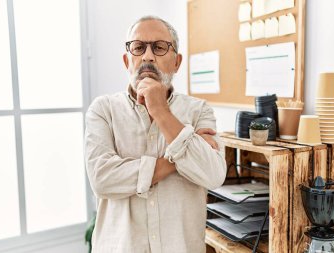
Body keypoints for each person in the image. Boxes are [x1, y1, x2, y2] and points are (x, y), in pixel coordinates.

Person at [84, 15, 227, 253]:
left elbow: (213, 174)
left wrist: (162, 111)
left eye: (159, 47)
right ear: (126, 60)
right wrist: (178, 156)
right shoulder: (103, 110)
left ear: (177, 62)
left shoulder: (198, 110)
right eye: (138, 47)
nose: (147, 56)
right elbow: (102, 179)